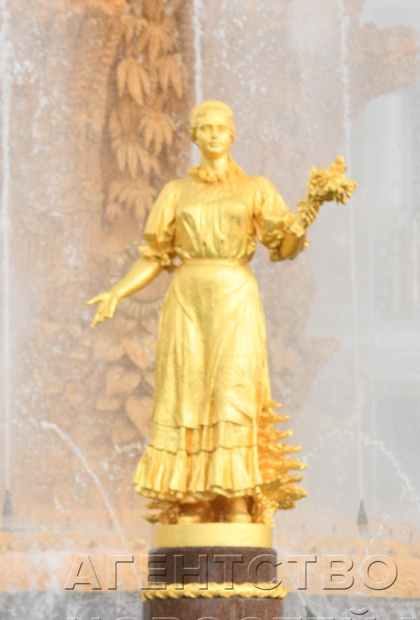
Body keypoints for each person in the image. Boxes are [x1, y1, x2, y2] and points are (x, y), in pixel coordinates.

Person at [87, 100, 313, 526]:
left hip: (235, 295)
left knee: (234, 390)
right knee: (186, 393)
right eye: (205, 128)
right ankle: (191, 496)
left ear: (232, 133)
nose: (212, 134)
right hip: (187, 297)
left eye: (220, 127)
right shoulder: (176, 192)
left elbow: (283, 248)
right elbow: (155, 255)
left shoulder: (255, 188)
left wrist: (304, 220)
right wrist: (117, 292)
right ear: (194, 135)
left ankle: (236, 497)